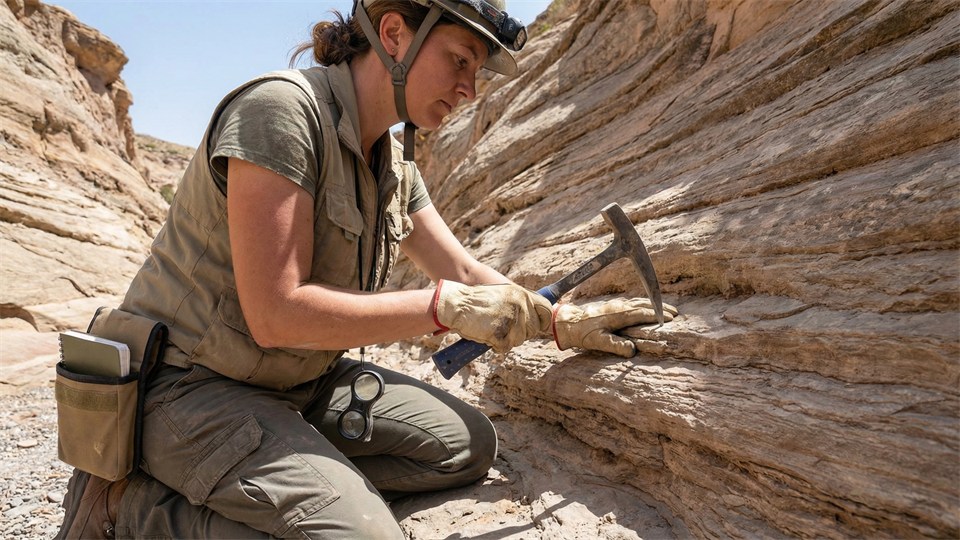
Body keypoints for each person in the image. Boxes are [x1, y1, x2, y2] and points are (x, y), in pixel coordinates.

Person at [56, 0, 677, 537]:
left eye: (476, 70)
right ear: (395, 34)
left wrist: (559, 321)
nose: (470, 88)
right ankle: (129, 507)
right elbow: (275, 313)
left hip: (301, 384)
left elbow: (460, 269)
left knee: (464, 448)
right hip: (191, 388)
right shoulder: (280, 113)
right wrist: (441, 309)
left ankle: (296, 483)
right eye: (460, 60)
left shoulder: (393, 163)